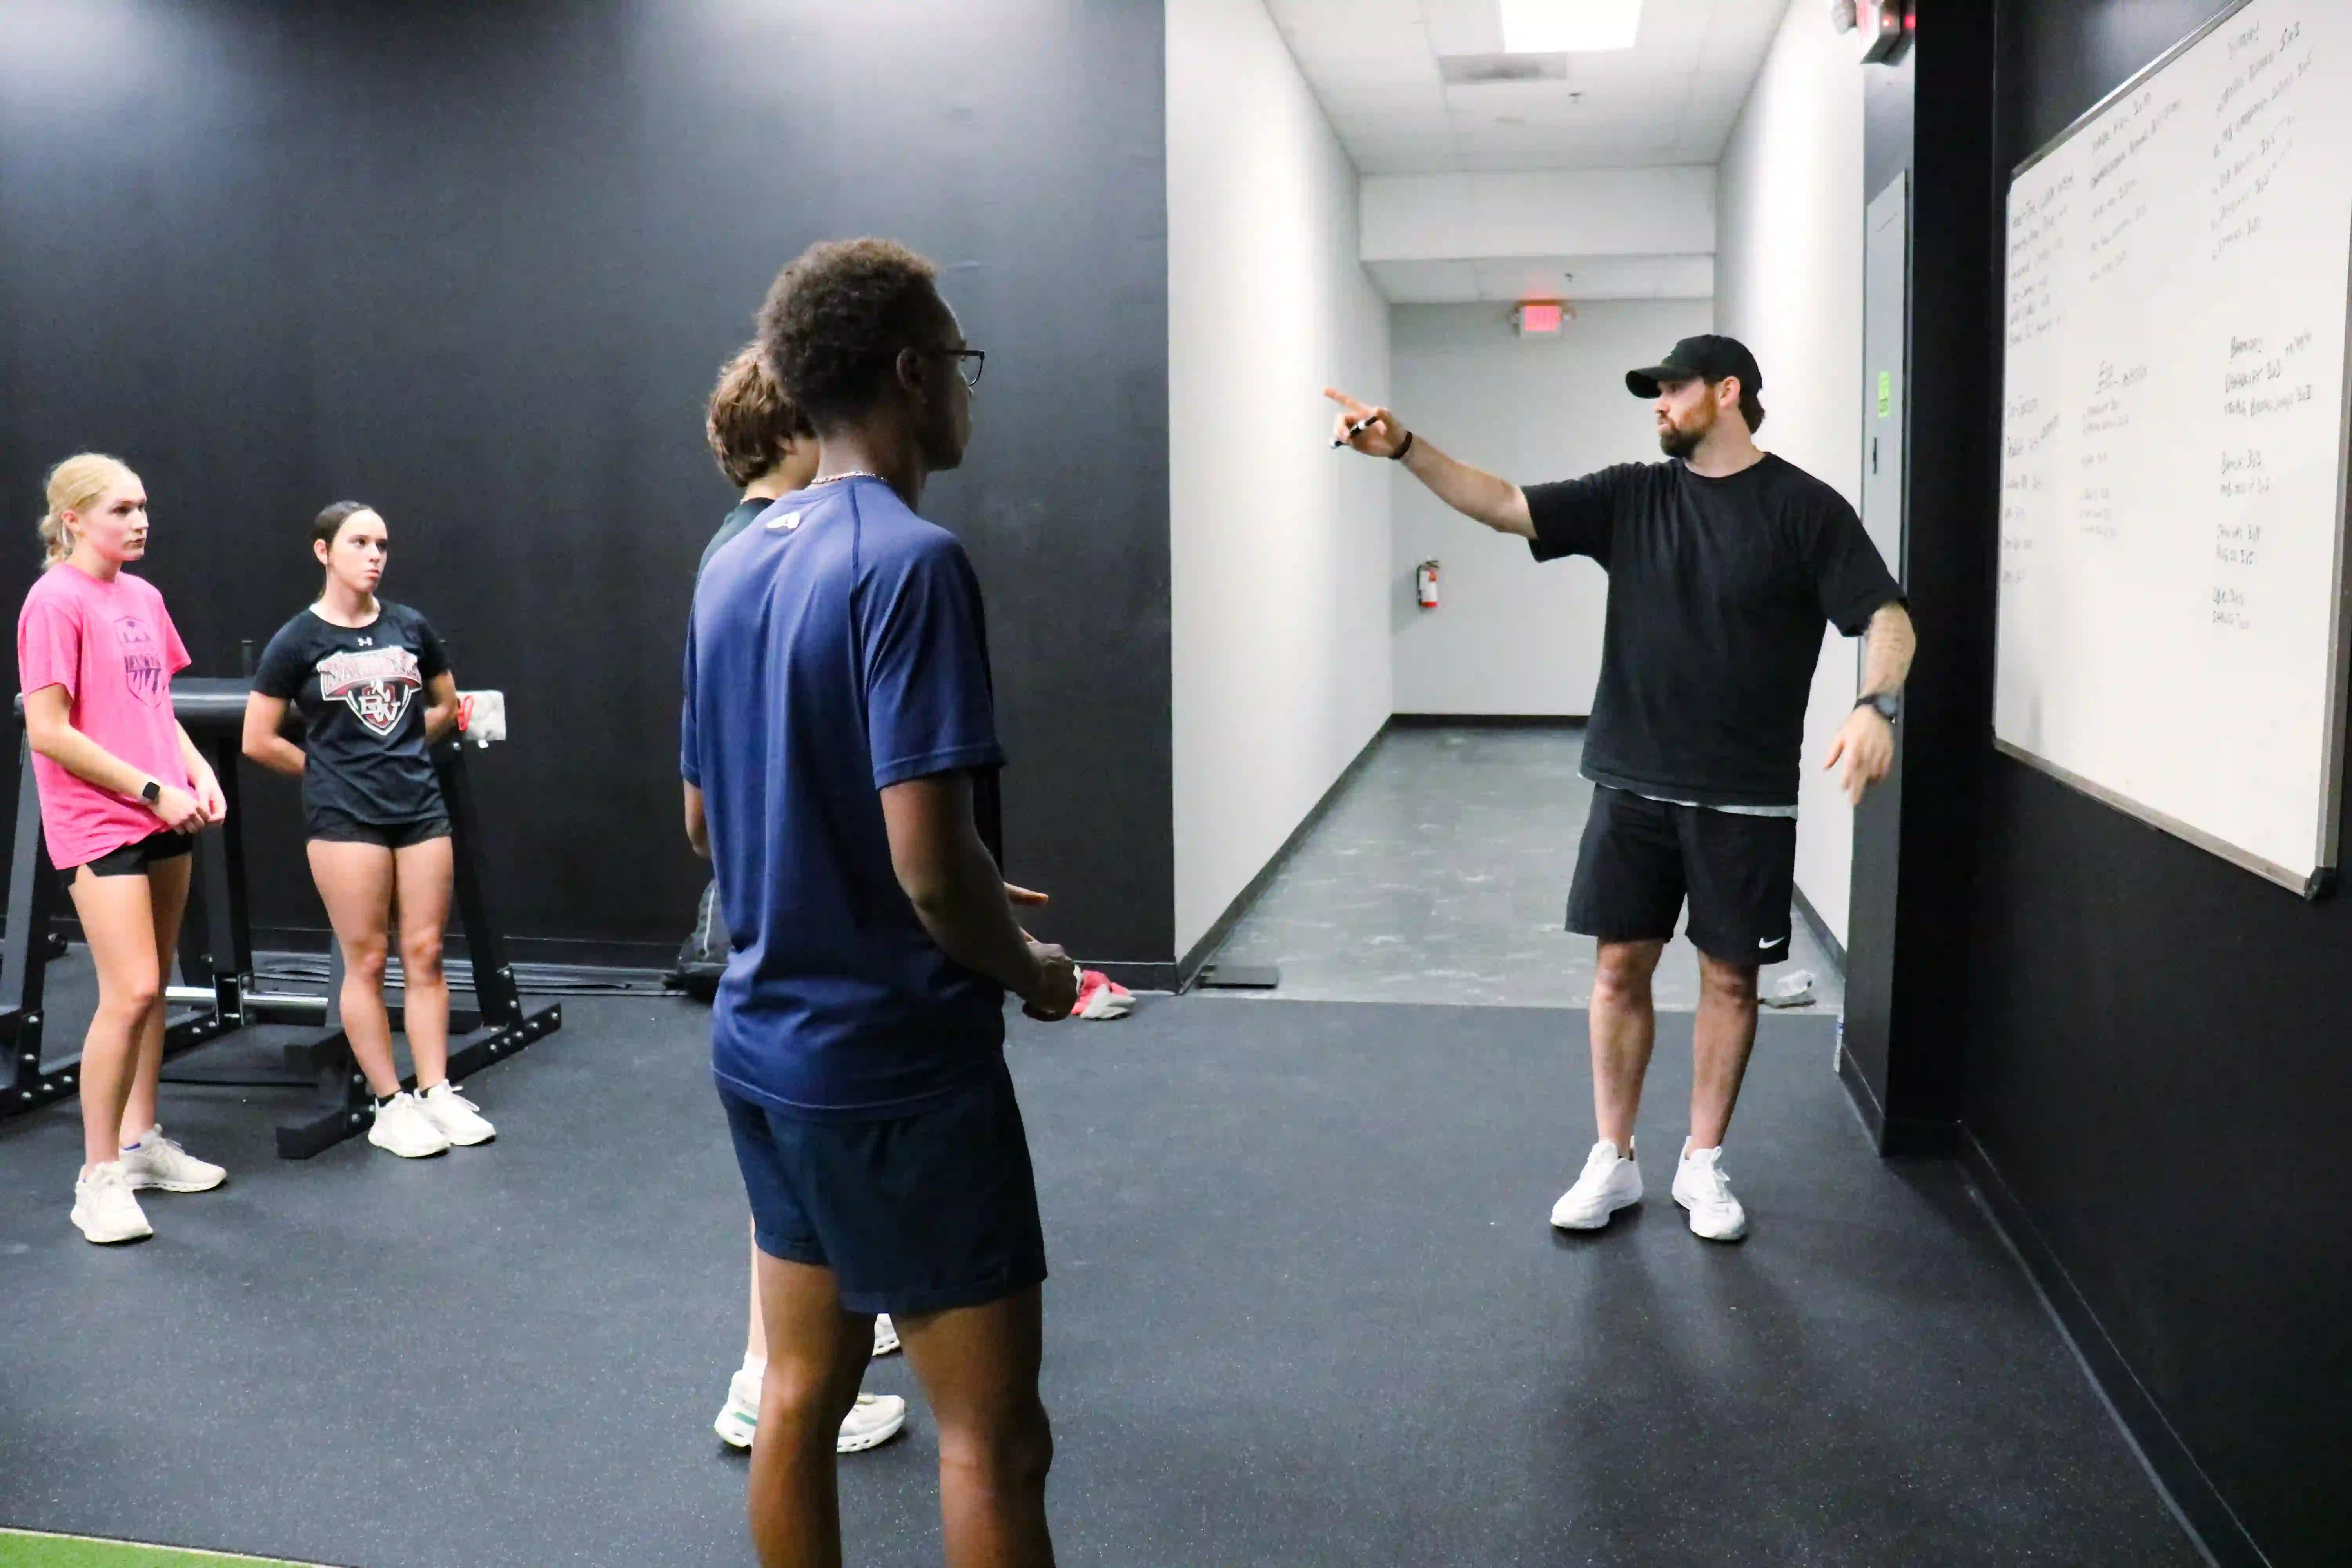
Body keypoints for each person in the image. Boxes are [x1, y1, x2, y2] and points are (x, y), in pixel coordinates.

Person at [1327, 334, 1915, 1243]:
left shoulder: (1806, 511)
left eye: (1673, 389)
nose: (1659, 404)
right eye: (1655, 392)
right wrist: (1407, 449)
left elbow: (1887, 615)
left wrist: (1876, 703)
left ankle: (1703, 1162)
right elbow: (1503, 504)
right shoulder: (1633, 496)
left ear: (1727, 392)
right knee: (1617, 969)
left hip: (1744, 796)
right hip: (1631, 784)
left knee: (1730, 980)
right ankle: (1615, 1156)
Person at [683, 237, 1079, 1567]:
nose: (967, 389)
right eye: (958, 362)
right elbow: (926, 868)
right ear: (913, 375)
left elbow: (710, 817)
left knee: (798, 1398)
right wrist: (1026, 962)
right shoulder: (912, 561)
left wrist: (891, 861)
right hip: (896, 1070)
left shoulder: (735, 560)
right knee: (994, 1441)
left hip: (763, 1048)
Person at [693, 342, 909, 1460]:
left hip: (781, 930)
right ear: (791, 434)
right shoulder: (764, 556)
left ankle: (794, 1355)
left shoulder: (743, 555)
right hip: (799, 948)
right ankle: (760, 1377)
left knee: (799, 1177)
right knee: (791, 1175)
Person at [18, 454, 229, 1243]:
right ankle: (97, 1175)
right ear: (73, 519)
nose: (139, 521)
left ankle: (141, 1145)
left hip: (160, 813)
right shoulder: (55, 600)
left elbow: (155, 704)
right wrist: (149, 788)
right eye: (120, 509)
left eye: (143, 506)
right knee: (131, 988)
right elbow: (48, 729)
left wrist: (197, 769)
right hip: (100, 819)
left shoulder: (142, 595)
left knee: (156, 986)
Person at [241, 501, 492, 1159]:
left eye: (382, 543)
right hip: (344, 819)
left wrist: (405, 750)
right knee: (370, 959)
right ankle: (390, 1102)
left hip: (418, 807)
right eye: (359, 543)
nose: (375, 555)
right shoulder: (297, 640)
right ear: (324, 552)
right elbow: (258, 738)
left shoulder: (411, 627)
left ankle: (436, 1089)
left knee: (428, 952)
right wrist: (328, 775)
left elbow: (444, 703)